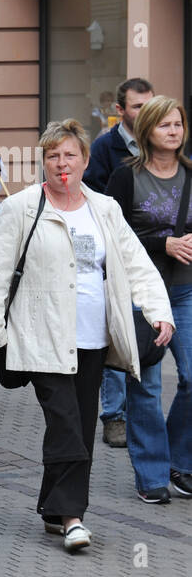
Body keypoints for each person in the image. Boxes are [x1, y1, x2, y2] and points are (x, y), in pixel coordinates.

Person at [0, 120, 172, 551]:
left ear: (85, 160)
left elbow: (136, 263)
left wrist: (159, 311)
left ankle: (51, 506)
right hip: (38, 334)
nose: (61, 163)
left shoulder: (104, 208)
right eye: (52, 155)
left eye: (69, 155)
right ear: (42, 162)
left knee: (82, 427)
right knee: (65, 422)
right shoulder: (22, 207)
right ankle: (71, 518)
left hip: (92, 338)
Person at [103, 96, 192, 503]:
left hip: (187, 292)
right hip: (142, 297)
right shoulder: (126, 177)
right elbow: (112, 236)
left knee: (191, 379)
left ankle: (178, 460)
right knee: (147, 387)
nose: (173, 132)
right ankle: (153, 473)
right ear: (148, 130)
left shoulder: (191, 175)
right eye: (165, 125)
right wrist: (164, 242)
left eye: (178, 125)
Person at [86, 77, 154, 449]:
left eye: (150, 105)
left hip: (159, 260)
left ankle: (144, 415)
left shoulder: (163, 144)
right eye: (138, 106)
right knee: (117, 331)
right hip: (116, 257)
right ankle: (113, 416)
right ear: (121, 110)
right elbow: (93, 197)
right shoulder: (104, 147)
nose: (145, 113)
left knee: (149, 341)